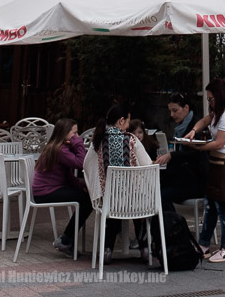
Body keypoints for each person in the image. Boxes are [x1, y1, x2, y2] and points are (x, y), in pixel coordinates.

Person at [184, 77, 225, 263]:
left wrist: (199, 147)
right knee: (210, 205)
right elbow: (204, 120)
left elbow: (219, 142)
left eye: (211, 98)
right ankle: (203, 245)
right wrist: (193, 130)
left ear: (220, 96)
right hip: (217, 162)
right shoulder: (218, 112)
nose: (209, 102)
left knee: (223, 205)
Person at [83, 103, 151, 263]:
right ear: (121, 121)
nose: (128, 125)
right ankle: (144, 248)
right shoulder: (131, 140)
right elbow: (148, 165)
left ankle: (107, 249)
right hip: (135, 203)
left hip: (109, 202)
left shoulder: (98, 140)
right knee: (135, 201)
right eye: (127, 121)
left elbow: (86, 165)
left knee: (114, 203)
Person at [31, 117, 93, 255]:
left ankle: (67, 240)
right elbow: (81, 163)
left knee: (85, 197)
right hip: (45, 192)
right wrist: (79, 144)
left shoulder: (59, 147)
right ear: (64, 133)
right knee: (86, 201)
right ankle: (65, 240)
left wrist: (80, 184)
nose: (77, 137)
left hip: (49, 189)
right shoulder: (60, 150)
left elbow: (67, 176)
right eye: (74, 133)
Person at [154, 93, 208, 208]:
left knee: (162, 194)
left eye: (175, 110)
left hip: (195, 180)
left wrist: (172, 155)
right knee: (154, 189)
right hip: (183, 177)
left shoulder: (195, 126)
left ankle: (173, 224)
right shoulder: (181, 127)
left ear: (186, 108)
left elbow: (196, 153)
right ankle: (168, 224)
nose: (172, 115)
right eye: (170, 111)